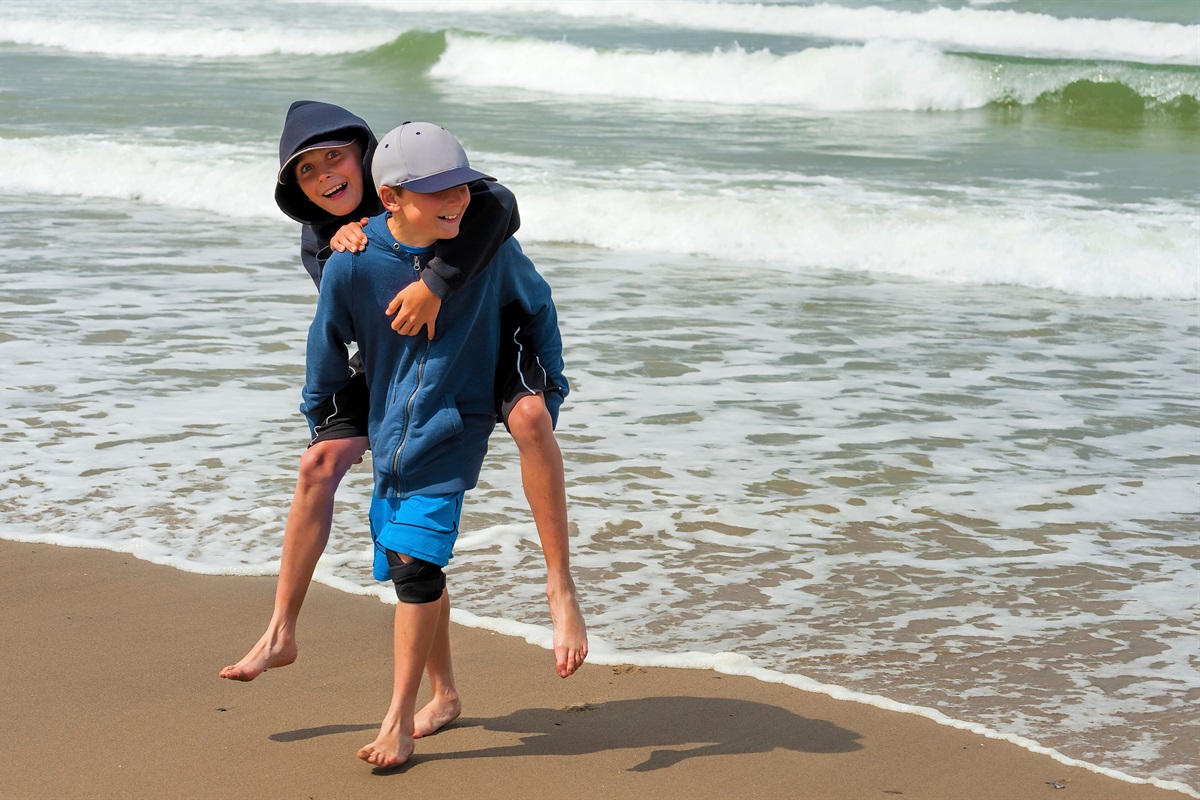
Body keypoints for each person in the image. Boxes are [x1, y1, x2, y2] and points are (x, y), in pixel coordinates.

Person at [220, 102, 587, 694]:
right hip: (401, 361)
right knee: (319, 465)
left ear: (368, 158)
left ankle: (559, 585)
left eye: (335, 157)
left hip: (486, 336)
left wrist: (435, 284)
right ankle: (282, 630)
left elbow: (501, 206)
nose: (325, 177)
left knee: (529, 419)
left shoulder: (451, 196)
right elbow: (345, 329)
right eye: (307, 171)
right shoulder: (332, 247)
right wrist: (329, 415)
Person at [302, 121, 569, 767]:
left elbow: (538, 306)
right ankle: (444, 695)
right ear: (390, 198)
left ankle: (395, 719)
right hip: (395, 430)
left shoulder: (490, 248)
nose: (457, 200)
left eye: (462, 187)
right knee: (405, 570)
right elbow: (327, 350)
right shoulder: (353, 263)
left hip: (455, 421)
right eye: (438, 190)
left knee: (418, 572)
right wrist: (329, 425)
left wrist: (544, 395)